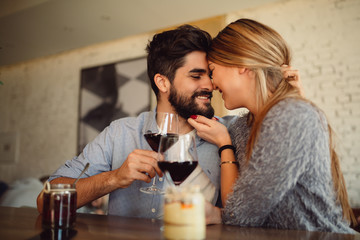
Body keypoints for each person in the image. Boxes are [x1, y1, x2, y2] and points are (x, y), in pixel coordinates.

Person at [36, 25, 237, 219]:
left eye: (209, 75)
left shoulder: (232, 132)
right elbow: (45, 201)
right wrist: (114, 178)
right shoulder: (120, 133)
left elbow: (251, 215)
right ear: (162, 82)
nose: (210, 85)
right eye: (196, 76)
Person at [188, 18, 357, 234]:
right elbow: (238, 208)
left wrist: (215, 213)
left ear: (241, 65)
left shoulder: (292, 115)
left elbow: (240, 216)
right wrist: (224, 143)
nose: (211, 84)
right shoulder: (241, 127)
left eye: (212, 70)